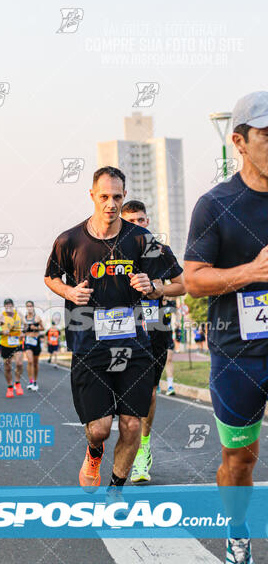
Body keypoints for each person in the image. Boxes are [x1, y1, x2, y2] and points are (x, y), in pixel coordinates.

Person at [45, 166, 165, 498]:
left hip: (134, 346)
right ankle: (94, 453)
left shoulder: (141, 239)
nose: (110, 204)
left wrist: (153, 285)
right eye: (104, 197)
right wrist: (69, 293)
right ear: (92, 196)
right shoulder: (69, 240)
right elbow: (51, 277)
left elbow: (182, 281)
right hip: (89, 346)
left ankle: (115, 491)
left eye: (116, 197)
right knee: (99, 429)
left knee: (130, 424)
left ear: (124, 197)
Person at [184, 91, 268, 564]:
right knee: (240, 462)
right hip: (238, 357)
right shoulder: (215, 204)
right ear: (239, 141)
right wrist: (250, 274)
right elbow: (194, 279)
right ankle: (238, 529)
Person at [121, 200, 185, 482]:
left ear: (148, 222)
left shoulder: (160, 251)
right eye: (131, 220)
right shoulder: (109, 252)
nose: (138, 225)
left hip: (154, 331)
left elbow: (183, 285)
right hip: (119, 332)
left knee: (148, 393)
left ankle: (142, 450)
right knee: (120, 397)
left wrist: (160, 288)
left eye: (142, 220)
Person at [0, 299, 24, 398]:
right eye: (6, 306)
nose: (8, 308)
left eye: (10, 306)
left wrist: (22, 332)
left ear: (13, 306)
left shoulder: (19, 314)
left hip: (17, 343)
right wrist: (2, 332)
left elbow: (25, 326)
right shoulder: (1, 316)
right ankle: (9, 387)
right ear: (4, 307)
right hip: (5, 344)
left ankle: (17, 383)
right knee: (7, 368)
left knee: (19, 363)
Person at [23, 300, 44, 391]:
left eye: (31, 306)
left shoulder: (37, 318)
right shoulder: (24, 319)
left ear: (33, 307)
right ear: (26, 308)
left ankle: (35, 381)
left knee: (35, 363)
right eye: (28, 306)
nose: (29, 307)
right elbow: (22, 330)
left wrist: (36, 328)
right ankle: (30, 381)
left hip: (36, 341)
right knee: (30, 361)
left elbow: (43, 328)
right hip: (28, 341)